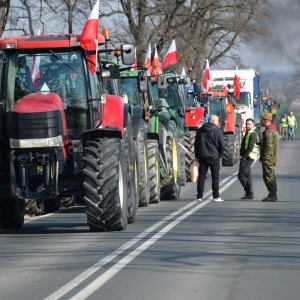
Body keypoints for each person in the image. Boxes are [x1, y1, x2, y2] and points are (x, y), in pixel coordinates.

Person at [194, 114, 225, 202]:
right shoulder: (217, 130)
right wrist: (220, 155)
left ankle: (199, 196)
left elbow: (196, 144)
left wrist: (197, 156)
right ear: (212, 121)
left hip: (203, 157)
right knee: (215, 177)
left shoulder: (200, 130)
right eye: (217, 121)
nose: (218, 122)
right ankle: (216, 196)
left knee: (202, 176)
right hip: (214, 157)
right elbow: (222, 145)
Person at [260, 113, 279, 201]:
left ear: (266, 121)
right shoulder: (271, 130)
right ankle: (272, 193)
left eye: (262, 120)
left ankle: (272, 194)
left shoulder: (269, 131)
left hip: (269, 158)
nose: (261, 121)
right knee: (269, 175)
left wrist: (265, 157)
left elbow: (269, 146)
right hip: (271, 157)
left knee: (269, 176)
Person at [238, 118, 259, 199]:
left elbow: (250, 146)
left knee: (241, 175)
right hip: (246, 157)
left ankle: (248, 191)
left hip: (248, 157)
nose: (247, 125)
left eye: (249, 124)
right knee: (248, 176)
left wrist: (244, 155)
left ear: (253, 124)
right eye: (247, 124)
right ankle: (249, 194)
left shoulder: (253, 133)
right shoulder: (248, 132)